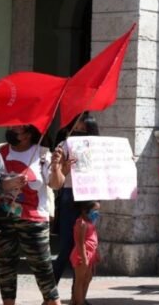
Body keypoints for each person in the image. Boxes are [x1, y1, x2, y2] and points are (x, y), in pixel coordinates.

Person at [0, 125, 65, 305]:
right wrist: (6, 184)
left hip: (33, 221)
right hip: (3, 219)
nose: (12, 128)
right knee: (5, 270)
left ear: (28, 134)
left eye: (19, 127)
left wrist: (57, 166)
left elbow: (56, 185)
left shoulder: (42, 154)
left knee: (44, 270)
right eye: (12, 125)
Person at [52, 113, 100, 283]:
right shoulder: (64, 146)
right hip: (69, 195)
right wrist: (63, 166)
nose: (79, 132)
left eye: (84, 130)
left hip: (90, 198)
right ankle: (50, 294)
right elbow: (56, 178)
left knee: (86, 247)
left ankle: (78, 296)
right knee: (66, 248)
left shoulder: (99, 148)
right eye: (76, 128)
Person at [70, 201, 101, 305]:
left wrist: (96, 253)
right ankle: (79, 302)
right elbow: (80, 242)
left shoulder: (90, 223)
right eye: (94, 210)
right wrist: (84, 258)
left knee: (88, 278)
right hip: (82, 255)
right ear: (84, 211)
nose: (97, 213)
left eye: (98, 211)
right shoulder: (81, 223)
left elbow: (94, 240)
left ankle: (80, 299)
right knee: (79, 280)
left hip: (89, 255)